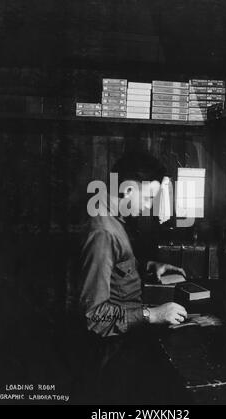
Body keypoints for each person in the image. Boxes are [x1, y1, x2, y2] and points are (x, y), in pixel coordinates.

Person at [78, 151, 187, 404]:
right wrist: (153, 314)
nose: (149, 206)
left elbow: (115, 266)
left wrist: (149, 265)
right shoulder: (102, 233)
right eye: (148, 197)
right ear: (128, 190)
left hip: (122, 345)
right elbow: (94, 316)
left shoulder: (113, 218)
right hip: (109, 354)